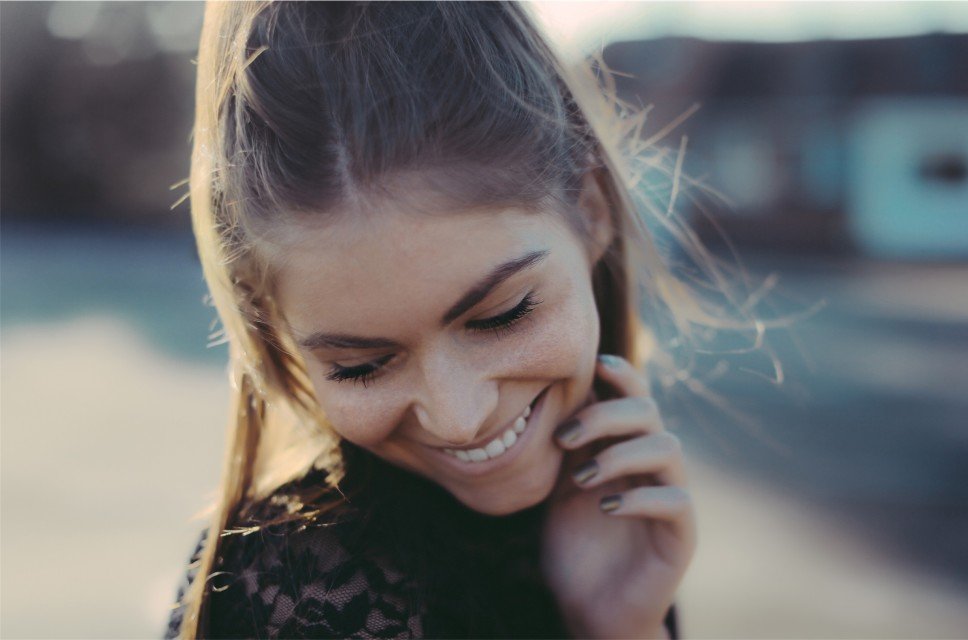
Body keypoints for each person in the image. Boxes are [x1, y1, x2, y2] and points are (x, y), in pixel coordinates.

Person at [165, 1, 711, 637]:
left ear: (590, 210)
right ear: (275, 333)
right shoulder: (308, 588)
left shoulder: (611, 533)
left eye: (502, 316)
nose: (459, 417)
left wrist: (616, 624)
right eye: (361, 366)